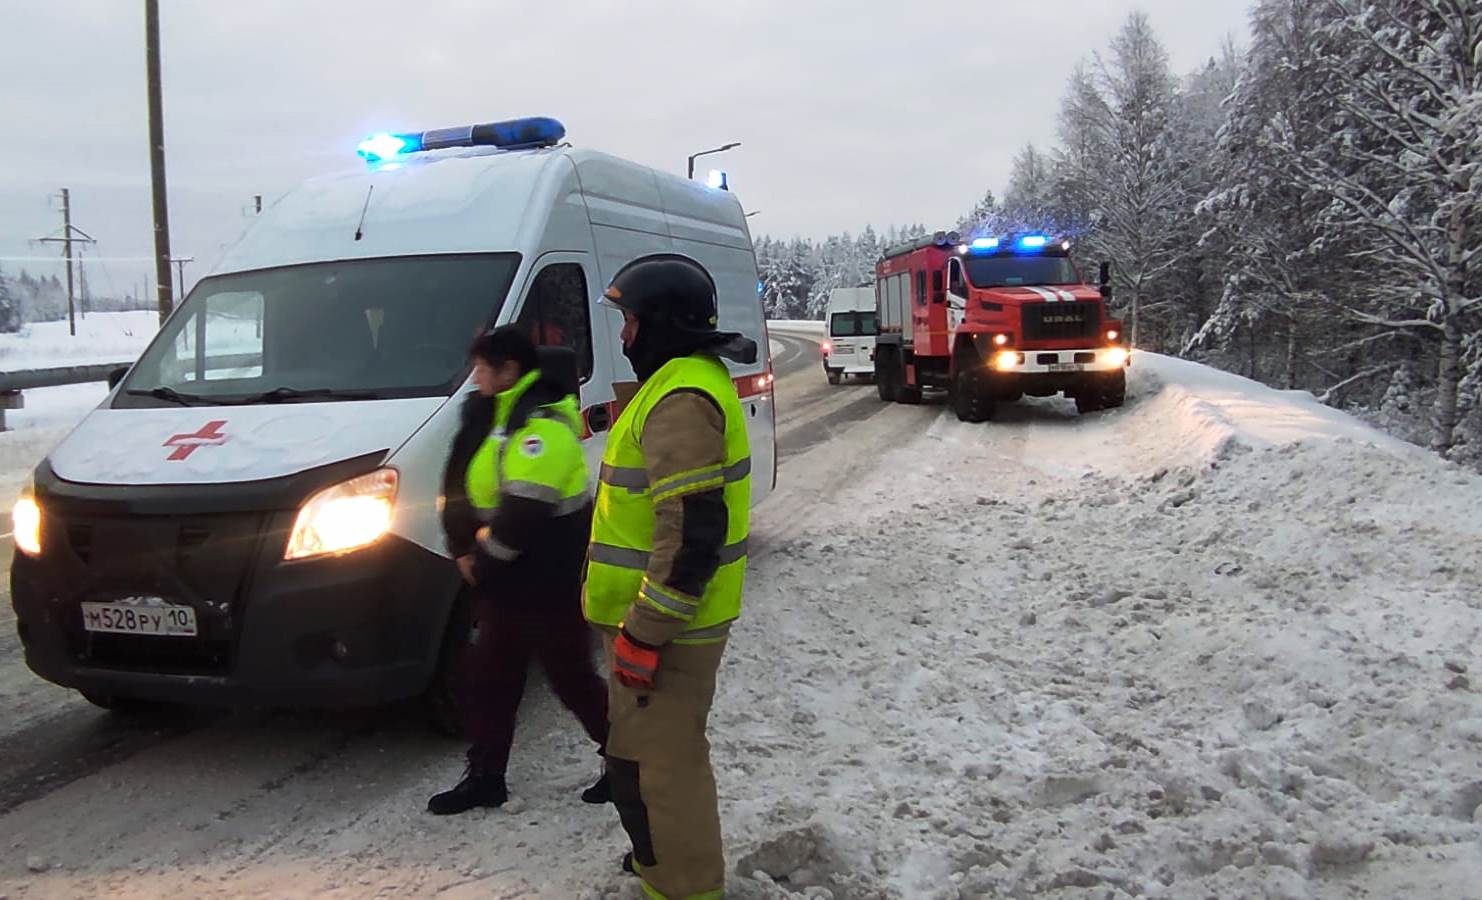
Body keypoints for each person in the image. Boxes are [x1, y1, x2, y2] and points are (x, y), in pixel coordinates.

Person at [584, 255, 757, 898]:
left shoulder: (681, 397)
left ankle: (685, 887)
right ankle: (662, 868)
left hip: (667, 632)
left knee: (663, 769)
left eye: (630, 320)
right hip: (655, 626)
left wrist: (646, 632)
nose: (624, 336)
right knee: (643, 759)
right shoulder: (680, 381)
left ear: (663, 322)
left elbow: (690, 534)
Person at [429, 325, 609, 815]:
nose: (475, 377)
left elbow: (523, 511)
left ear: (509, 370)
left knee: (570, 675)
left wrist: (483, 563)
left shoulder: (544, 425)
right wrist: (462, 543)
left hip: (545, 578)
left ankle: (626, 761)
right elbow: (469, 485)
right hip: (511, 581)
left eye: (483, 368)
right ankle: (487, 775)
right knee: (490, 675)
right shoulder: (501, 416)